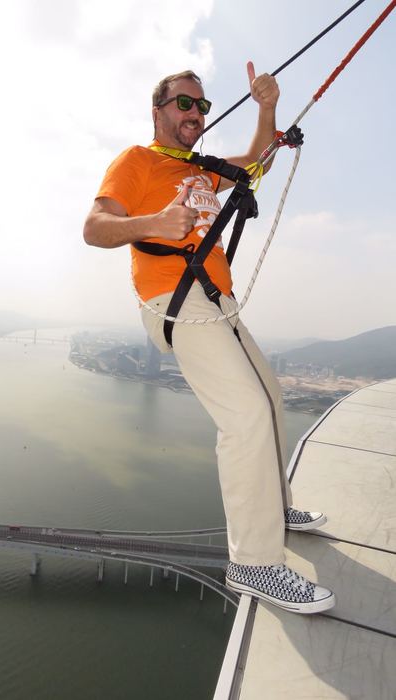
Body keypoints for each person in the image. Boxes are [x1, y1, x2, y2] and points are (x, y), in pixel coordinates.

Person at [83, 65, 335, 614]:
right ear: (158, 111)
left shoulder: (201, 169)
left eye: (202, 106)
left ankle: (274, 509)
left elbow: (258, 160)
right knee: (245, 413)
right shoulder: (137, 161)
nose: (195, 113)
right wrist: (151, 223)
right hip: (175, 299)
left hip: (216, 298)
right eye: (184, 103)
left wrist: (266, 106)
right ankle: (253, 563)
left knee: (269, 397)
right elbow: (95, 227)